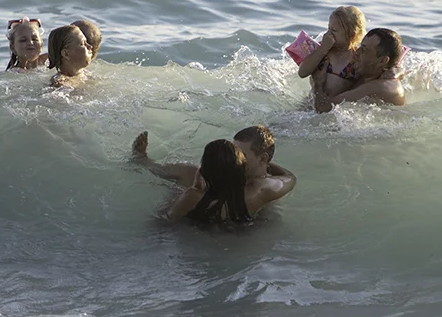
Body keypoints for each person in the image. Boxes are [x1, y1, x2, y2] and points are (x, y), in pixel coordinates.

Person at [131, 127, 296, 222]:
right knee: (187, 171)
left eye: (240, 154)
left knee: (187, 175)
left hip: (190, 225)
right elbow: (291, 178)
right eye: (234, 151)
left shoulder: (260, 189)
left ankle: (141, 160)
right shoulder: (267, 188)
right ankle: (143, 161)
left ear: (263, 158)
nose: (234, 156)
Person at [313, 28, 405, 112]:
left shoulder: (380, 87)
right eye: (360, 46)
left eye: (364, 49)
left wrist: (318, 83)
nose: (357, 52)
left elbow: (324, 109)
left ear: (382, 61)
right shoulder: (369, 72)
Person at [297, 6, 366, 97]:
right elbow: (302, 73)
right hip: (310, 103)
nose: (328, 34)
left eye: (334, 30)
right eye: (328, 28)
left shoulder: (357, 59)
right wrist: (322, 49)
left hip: (333, 108)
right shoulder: (322, 49)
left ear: (352, 35)